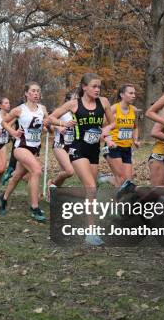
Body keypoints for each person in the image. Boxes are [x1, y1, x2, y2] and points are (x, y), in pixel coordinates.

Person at [48, 74, 116, 243]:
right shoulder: (74, 104)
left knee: (91, 190)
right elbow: (50, 118)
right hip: (78, 149)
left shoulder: (104, 102)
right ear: (84, 87)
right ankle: (90, 232)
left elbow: (113, 123)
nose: (97, 90)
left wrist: (106, 131)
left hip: (94, 150)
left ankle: (59, 193)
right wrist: (63, 124)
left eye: (99, 87)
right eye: (94, 86)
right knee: (91, 187)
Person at [0, 83, 51, 222]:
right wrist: (13, 132)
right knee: (36, 170)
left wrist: (48, 127)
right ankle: (34, 208)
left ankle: (3, 198)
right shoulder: (19, 110)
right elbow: (4, 122)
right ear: (26, 93)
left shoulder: (43, 109)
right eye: (33, 91)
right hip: (21, 147)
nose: (36, 93)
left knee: (17, 177)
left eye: (38, 91)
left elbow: (46, 124)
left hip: (34, 149)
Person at [105, 84, 139, 187]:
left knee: (127, 180)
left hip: (127, 147)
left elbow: (135, 127)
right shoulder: (114, 108)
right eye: (130, 93)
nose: (134, 95)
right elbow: (101, 125)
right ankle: (118, 201)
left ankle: (106, 179)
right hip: (113, 146)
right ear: (122, 95)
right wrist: (108, 139)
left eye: (134, 93)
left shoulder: (134, 110)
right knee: (121, 178)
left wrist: (136, 140)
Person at [47, 92, 76, 194]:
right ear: (68, 101)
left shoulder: (79, 113)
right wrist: (58, 127)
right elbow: (48, 122)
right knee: (69, 171)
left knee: (64, 173)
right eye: (74, 98)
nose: (77, 101)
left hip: (72, 146)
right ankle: (52, 185)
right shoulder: (62, 112)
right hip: (60, 145)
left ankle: (53, 190)